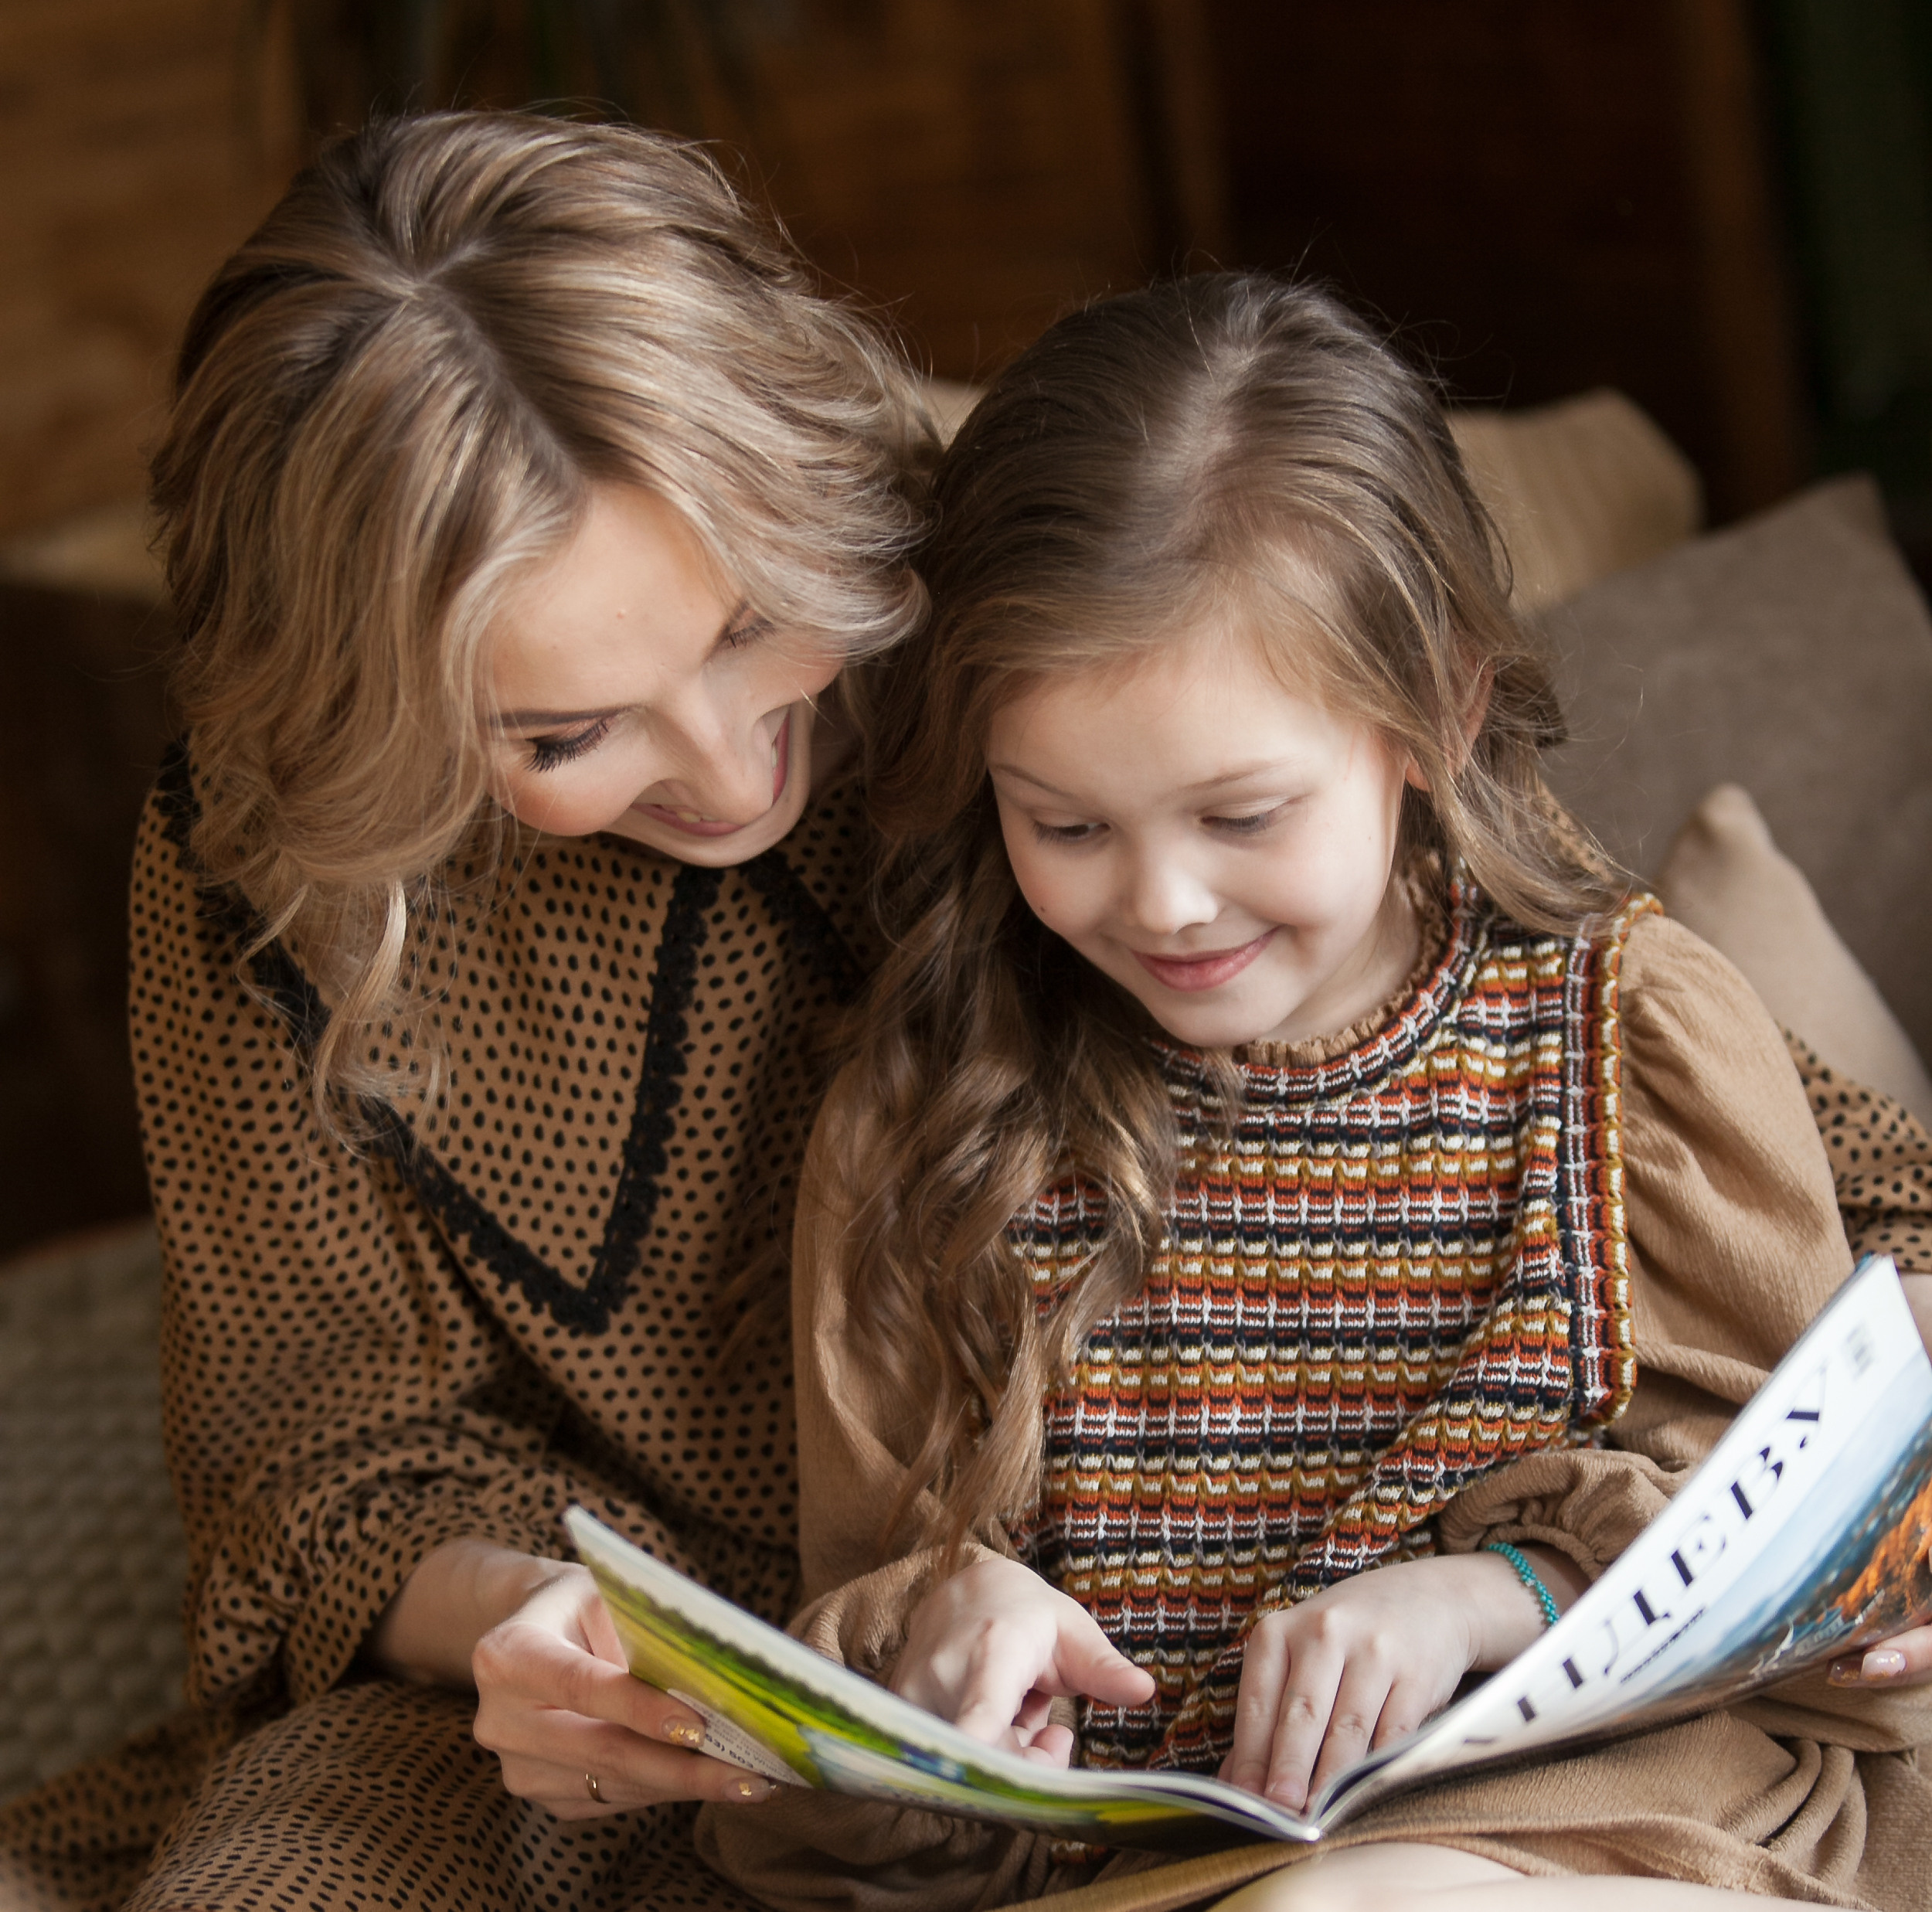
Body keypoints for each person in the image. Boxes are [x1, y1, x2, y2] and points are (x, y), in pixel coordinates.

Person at [699, 275, 1932, 1912]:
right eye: (1063, 825)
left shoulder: (1629, 1040)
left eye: (1240, 814)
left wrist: (1499, 1593)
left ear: (1437, 711)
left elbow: (1813, 1571)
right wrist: (936, 1643)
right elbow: (853, 1656)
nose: (1163, 903)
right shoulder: (924, 1123)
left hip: (1623, 1816)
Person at [0, 111, 932, 1911]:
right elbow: (321, 1461)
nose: (733, 766)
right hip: (525, 1700)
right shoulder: (253, 863)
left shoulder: (995, 639)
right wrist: (535, 1626)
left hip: (1061, 1616)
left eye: (755, 621)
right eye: (564, 734)